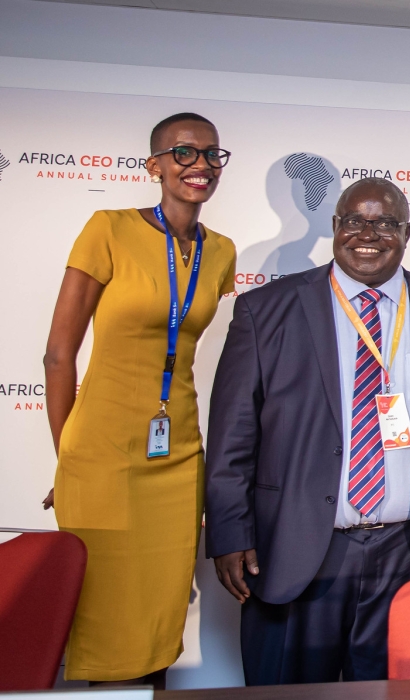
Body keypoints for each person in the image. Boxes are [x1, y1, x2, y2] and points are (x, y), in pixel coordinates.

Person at [204, 177, 410, 684]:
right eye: (354, 221)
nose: (367, 233)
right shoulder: (267, 310)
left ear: (406, 231)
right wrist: (229, 530)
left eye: (384, 223)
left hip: (408, 552)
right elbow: (232, 433)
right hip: (295, 547)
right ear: (335, 227)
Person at [42, 112, 237, 687]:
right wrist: (69, 457)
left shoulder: (220, 252)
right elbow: (59, 355)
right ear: (154, 165)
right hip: (99, 451)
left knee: (157, 613)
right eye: (182, 153)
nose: (198, 165)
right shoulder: (108, 228)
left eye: (210, 154)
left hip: (176, 457)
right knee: (102, 615)